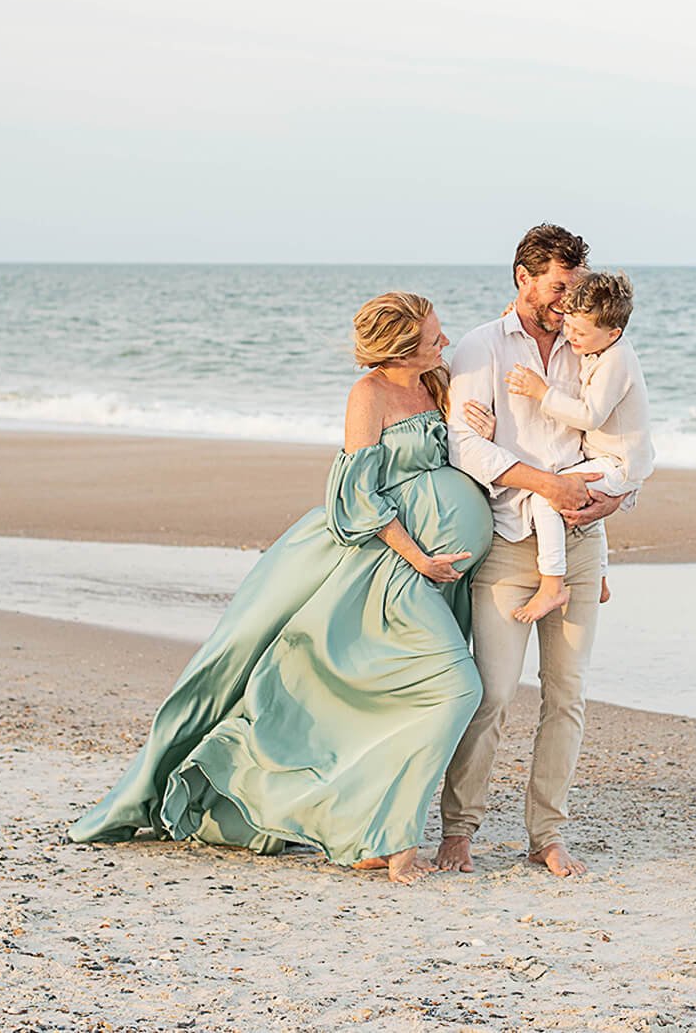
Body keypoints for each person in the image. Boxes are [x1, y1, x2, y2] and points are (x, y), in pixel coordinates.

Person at [66, 293, 491, 883]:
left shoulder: (438, 384)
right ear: (399, 344)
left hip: (431, 574)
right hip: (389, 566)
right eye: (433, 336)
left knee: (397, 698)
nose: (445, 343)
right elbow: (356, 495)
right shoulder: (368, 396)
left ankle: (372, 833)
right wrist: (419, 555)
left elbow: (461, 459)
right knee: (454, 688)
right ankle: (393, 842)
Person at [437, 224, 626, 879]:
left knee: (566, 695)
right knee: (490, 696)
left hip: (580, 541)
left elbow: (620, 436)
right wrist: (542, 479)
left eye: (574, 290)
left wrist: (614, 500)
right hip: (509, 546)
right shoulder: (478, 348)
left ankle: (546, 833)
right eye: (557, 288)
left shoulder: (591, 348)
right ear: (522, 276)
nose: (567, 303)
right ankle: (457, 832)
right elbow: (464, 444)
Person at [499, 270, 653, 622]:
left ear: (614, 333)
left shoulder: (617, 360)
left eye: (579, 333)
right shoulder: (598, 341)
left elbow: (590, 416)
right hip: (605, 457)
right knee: (584, 504)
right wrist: (511, 318)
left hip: (619, 464)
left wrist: (542, 392)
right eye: (567, 325)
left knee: (549, 494)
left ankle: (553, 583)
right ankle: (599, 578)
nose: (569, 336)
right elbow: (567, 328)